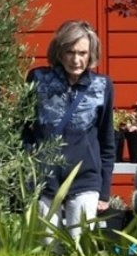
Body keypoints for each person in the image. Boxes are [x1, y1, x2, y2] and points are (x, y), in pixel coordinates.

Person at [22, 19, 116, 241]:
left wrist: (104, 190)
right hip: (44, 179)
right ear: (59, 52)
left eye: (83, 53)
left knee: (80, 246)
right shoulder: (38, 79)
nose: (76, 59)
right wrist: (26, 172)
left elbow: (106, 138)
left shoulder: (102, 86)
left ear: (91, 54)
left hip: (85, 178)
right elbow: (22, 128)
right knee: (47, 246)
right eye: (70, 52)